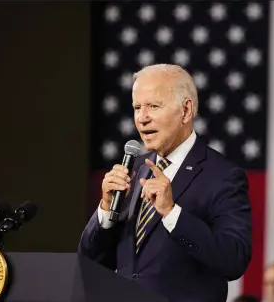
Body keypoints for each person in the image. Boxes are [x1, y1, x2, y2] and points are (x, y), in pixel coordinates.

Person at [78, 64, 252, 302]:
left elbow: (234, 260)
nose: (142, 118)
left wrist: (171, 213)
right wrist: (106, 211)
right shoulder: (135, 169)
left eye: (153, 106)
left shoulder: (222, 176)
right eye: (137, 107)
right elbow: (90, 264)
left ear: (186, 110)